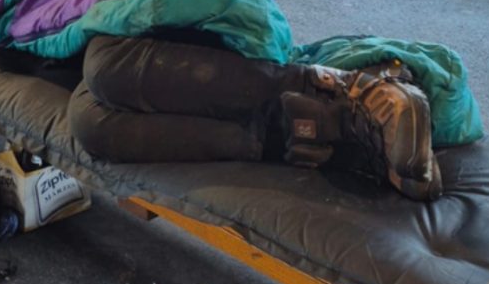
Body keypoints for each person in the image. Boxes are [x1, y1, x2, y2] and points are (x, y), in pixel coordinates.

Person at [69, 33, 442, 202]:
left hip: (141, 9)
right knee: (91, 126)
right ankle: (321, 136)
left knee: (107, 68)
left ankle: (349, 92)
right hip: (73, 39)